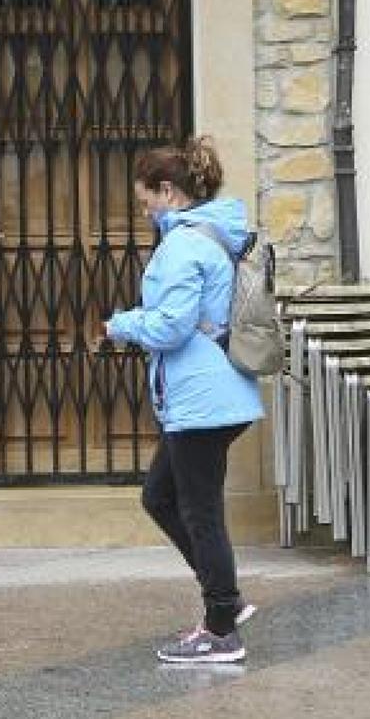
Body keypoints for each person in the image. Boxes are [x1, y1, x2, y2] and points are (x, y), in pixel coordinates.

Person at [104, 136, 263, 664]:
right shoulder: (214, 233)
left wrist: (119, 325)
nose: (144, 209)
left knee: (201, 514)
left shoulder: (183, 245)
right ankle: (227, 599)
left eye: (146, 199)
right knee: (160, 497)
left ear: (167, 191)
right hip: (215, 393)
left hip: (201, 399)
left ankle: (221, 629)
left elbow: (171, 327)